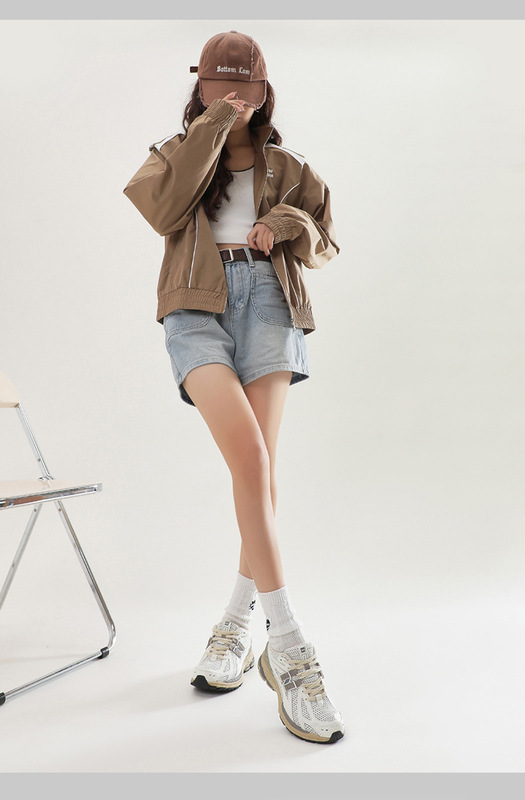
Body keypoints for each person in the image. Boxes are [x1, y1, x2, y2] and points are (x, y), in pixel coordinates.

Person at [123, 30, 344, 744]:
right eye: (220, 89)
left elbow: (326, 242)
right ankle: (289, 646)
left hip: (270, 305)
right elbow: (162, 211)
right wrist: (214, 125)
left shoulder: (290, 165)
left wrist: (287, 221)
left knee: (260, 471)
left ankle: (234, 627)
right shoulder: (174, 153)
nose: (234, 98)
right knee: (249, 460)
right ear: (202, 88)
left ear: (264, 88)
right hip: (195, 308)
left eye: (243, 88)